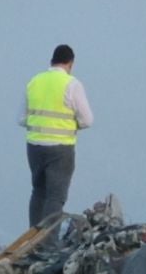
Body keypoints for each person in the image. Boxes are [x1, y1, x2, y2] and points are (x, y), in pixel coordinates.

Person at [21, 45, 93, 227]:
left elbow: (21, 118)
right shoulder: (72, 84)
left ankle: (33, 237)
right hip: (61, 148)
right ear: (71, 63)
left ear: (51, 61)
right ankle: (49, 240)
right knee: (55, 197)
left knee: (38, 192)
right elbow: (87, 120)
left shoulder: (34, 82)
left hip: (34, 147)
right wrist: (70, 125)